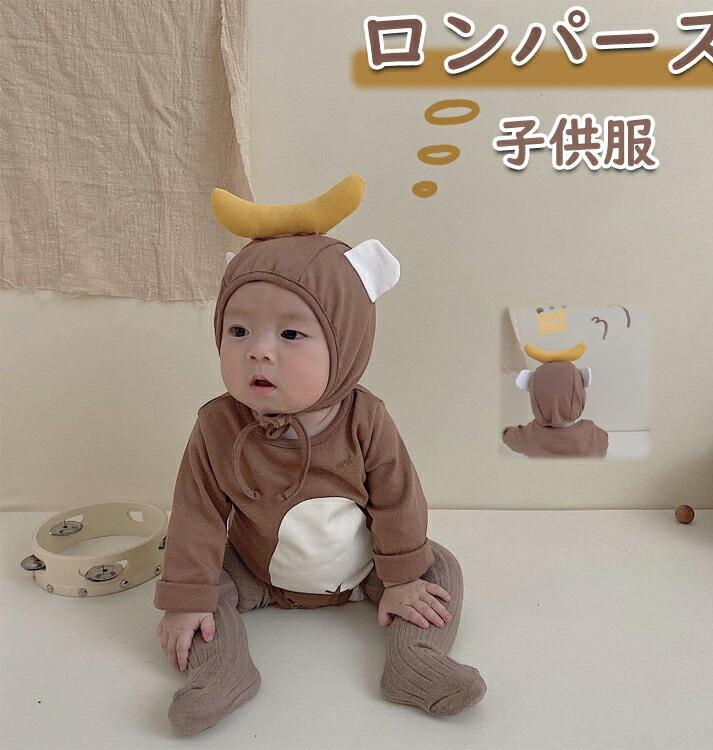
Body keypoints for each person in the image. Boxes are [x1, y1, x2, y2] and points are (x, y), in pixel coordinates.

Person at [153, 176, 486, 735]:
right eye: (239, 330)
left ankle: (414, 658)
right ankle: (221, 670)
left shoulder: (365, 418)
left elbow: (398, 498)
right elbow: (197, 513)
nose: (259, 350)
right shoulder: (217, 425)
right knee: (197, 586)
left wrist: (401, 576)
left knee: (436, 567)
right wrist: (187, 597)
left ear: (345, 342)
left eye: (290, 334)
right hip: (259, 570)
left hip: (366, 570)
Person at [502, 360, 608, 458]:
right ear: (580, 395)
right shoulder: (594, 435)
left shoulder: (528, 435)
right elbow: (604, 443)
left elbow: (506, 435)